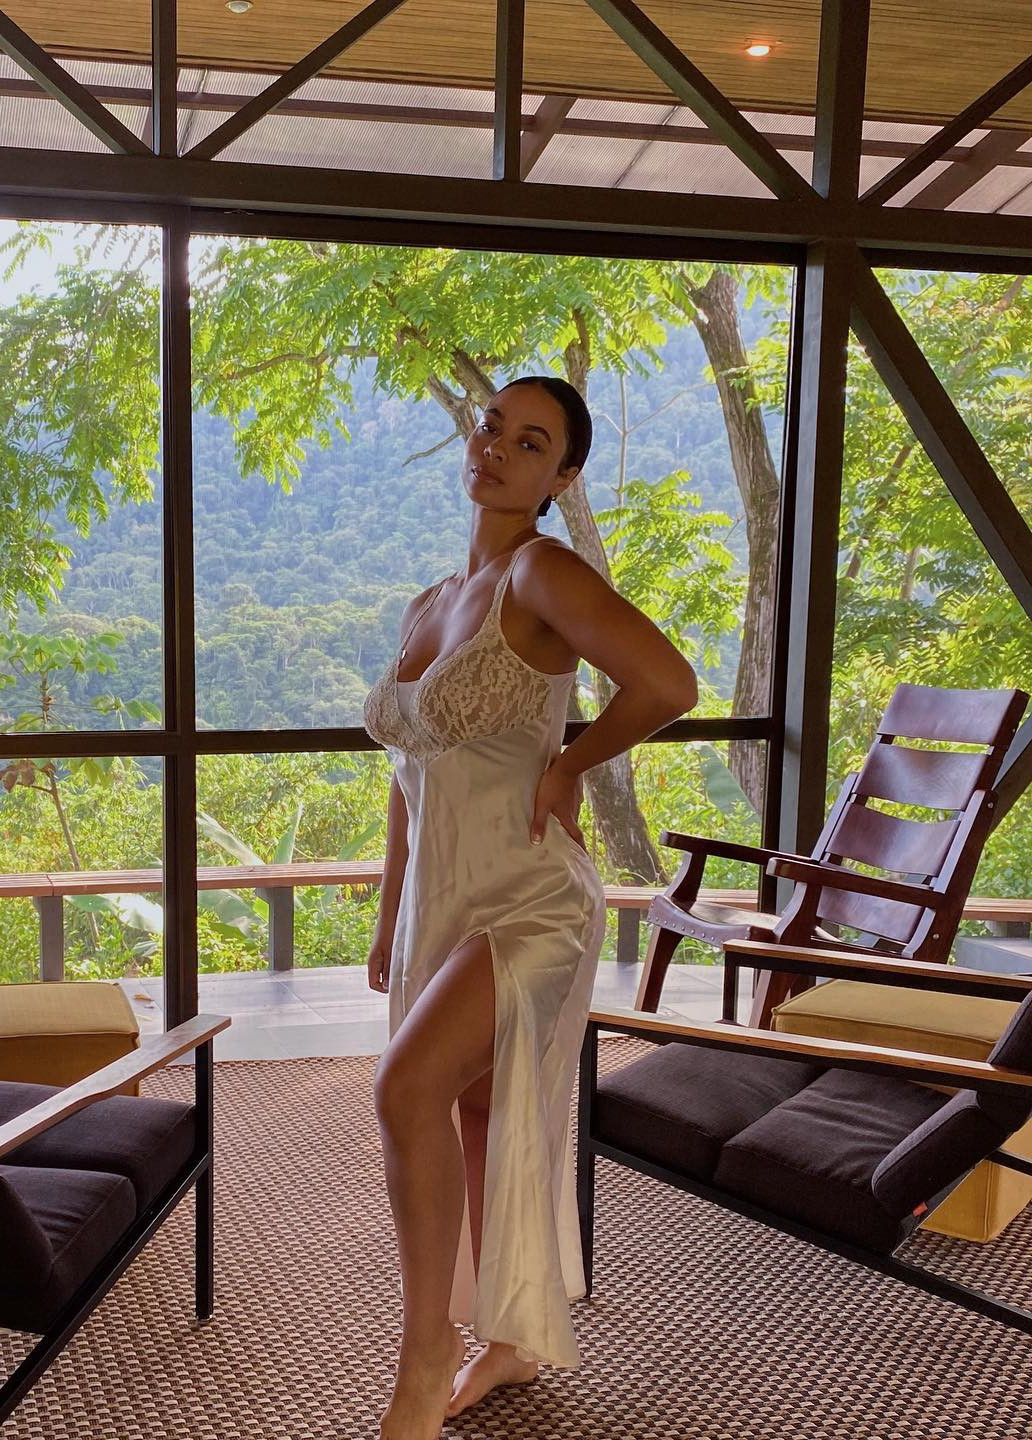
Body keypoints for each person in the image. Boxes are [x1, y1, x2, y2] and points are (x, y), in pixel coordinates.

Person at [361, 376, 698, 1440]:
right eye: (492, 427)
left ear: (563, 477)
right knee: (472, 1109)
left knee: (406, 1088)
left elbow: (668, 683)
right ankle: (506, 1340)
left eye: (531, 442)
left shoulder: (540, 571)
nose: (498, 448)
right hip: (441, 898)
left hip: (532, 899)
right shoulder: (428, 604)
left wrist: (570, 766)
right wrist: (388, 913)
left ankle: (423, 1366)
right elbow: (409, 774)